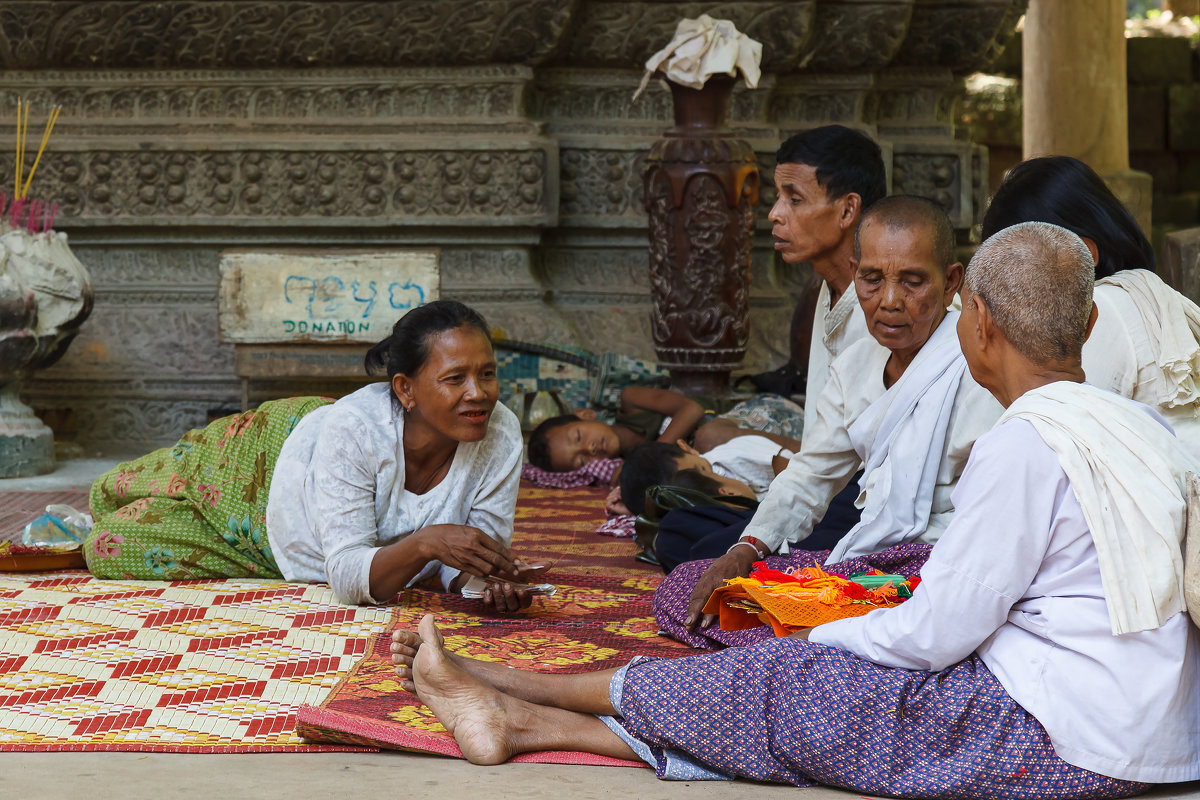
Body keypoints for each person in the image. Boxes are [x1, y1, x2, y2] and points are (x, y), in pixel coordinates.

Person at [386, 221, 1200, 795]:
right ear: (1089, 323)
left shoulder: (1025, 442)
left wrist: (832, 634)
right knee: (792, 688)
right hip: (1151, 729)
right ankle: (516, 715)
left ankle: (512, 684)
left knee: (794, 677)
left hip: (1063, 738)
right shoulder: (1141, 426)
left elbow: (940, 633)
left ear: (973, 322)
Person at [657, 195, 1003, 649]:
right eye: (873, 280)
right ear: (856, 272)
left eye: (914, 281)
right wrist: (746, 549)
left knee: (810, 628)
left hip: (944, 569)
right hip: (873, 561)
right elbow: (811, 474)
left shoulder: (981, 365)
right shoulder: (857, 366)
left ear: (952, 280)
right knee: (687, 584)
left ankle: (822, 647)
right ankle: (820, 644)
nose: (890, 301)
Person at [86, 300, 536, 611]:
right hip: (268, 462)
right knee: (117, 489)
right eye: (455, 378)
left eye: (488, 374)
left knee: (109, 547)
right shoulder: (357, 427)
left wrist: (487, 585)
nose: (478, 394)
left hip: (278, 541)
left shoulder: (501, 433)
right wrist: (426, 543)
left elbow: (472, 558)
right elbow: (348, 575)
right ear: (405, 388)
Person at [981, 155, 1200, 450]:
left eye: (1020, 265)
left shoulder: (1108, 308)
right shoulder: (1132, 295)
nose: (1010, 289)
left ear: (1083, 254)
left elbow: (1040, 446)